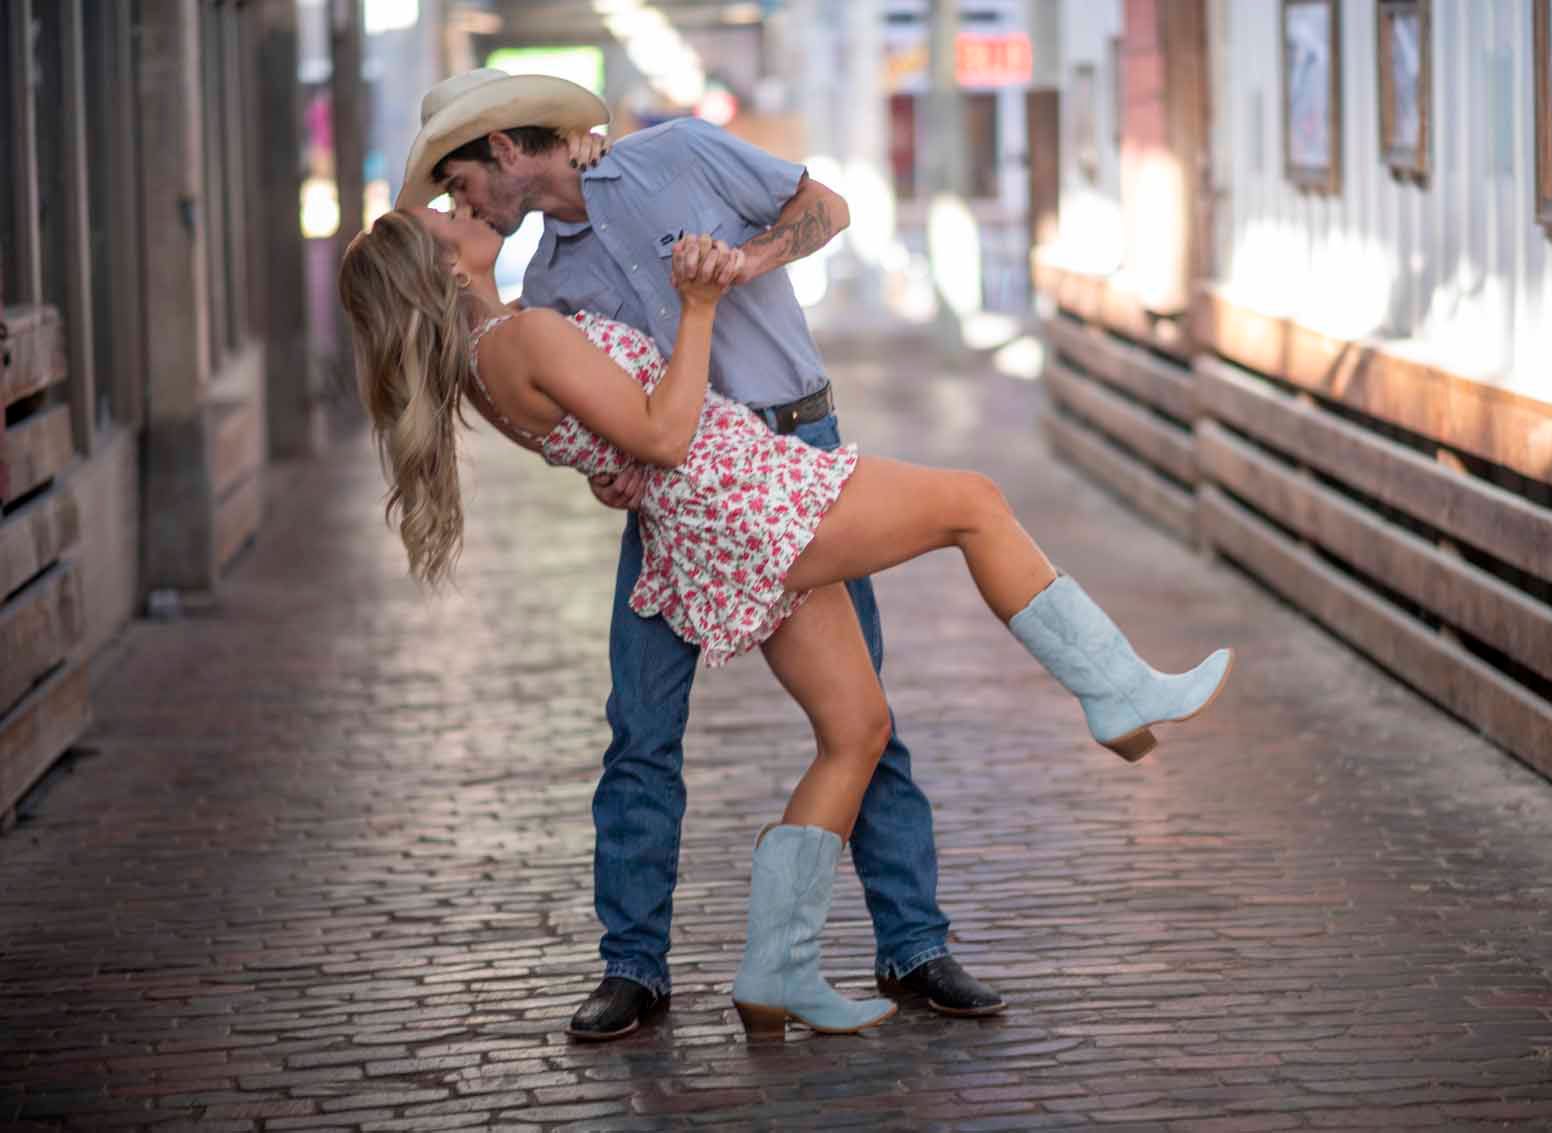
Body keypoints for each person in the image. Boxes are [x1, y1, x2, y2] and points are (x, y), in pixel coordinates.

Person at [338, 202, 1233, 1039]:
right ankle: (1114, 688)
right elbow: (662, 434)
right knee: (975, 502)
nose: (463, 211)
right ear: (444, 267)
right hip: (745, 497)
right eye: (444, 216)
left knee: (859, 729)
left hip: (714, 510)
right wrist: (695, 308)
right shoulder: (522, 334)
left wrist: (632, 451)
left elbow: (619, 445)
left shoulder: (484, 366)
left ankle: (777, 967)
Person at [394, 69, 1009, 1041]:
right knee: (640, 730)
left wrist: (741, 263)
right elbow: (607, 420)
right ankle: (631, 967)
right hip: (673, 502)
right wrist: (605, 467)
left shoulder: (674, 154)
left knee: (861, 714)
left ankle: (912, 946)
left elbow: (826, 206)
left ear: (505, 150)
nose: (456, 199)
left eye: (458, 176)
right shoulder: (544, 289)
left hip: (794, 453)